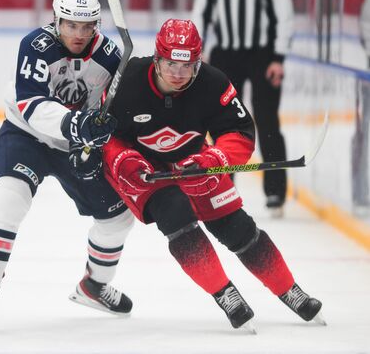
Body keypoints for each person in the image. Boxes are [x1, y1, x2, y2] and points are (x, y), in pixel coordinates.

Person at [100, 18, 324, 331]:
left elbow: (240, 131)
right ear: (157, 59)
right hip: (142, 171)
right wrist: (124, 160)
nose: (178, 74)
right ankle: (225, 293)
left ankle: (291, 290)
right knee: (175, 213)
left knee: (238, 227)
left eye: (187, 66)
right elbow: (105, 136)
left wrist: (213, 158)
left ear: (198, 61)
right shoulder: (129, 80)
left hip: (195, 162)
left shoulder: (213, 82)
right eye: (170, 65)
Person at [0, 0, 135, 333]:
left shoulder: (112, 56)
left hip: (75, 144)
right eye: (71, 24)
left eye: (87, 26)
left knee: (119, 216)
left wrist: (102, 133)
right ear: (57, 19)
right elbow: (30, 104)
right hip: (27, 134)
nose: (79, 33)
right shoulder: (35, 45)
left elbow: (116, 111)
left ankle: (95, 286)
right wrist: (77, 124)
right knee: (7, 197)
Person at [190, 0, 294, 217]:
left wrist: (278, 57)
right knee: (223, 125)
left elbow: (284, 13)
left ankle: (275, 191)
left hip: (263, 55)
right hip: (226, 55)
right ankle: (223, 186)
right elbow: (201, 12)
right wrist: (198, 50)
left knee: (267, 120)